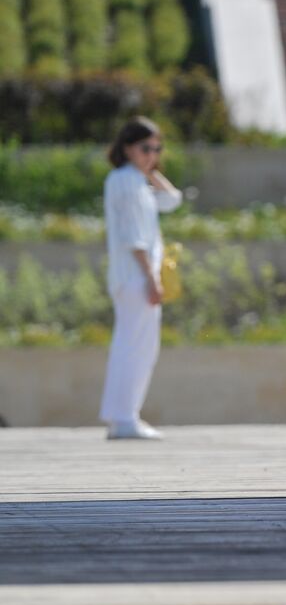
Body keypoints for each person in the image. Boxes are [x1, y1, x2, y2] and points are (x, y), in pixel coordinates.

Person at [99, 117, 184, 440]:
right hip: (136, 276)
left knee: (138, 346)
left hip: (136, 276)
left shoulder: (134, 180)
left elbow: (172, 199)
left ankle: (123, 416)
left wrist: (150, 171)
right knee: (134, 347)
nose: (152, 154)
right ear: (127, 148)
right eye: (145, 148)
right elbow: (133, 237)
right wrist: (152, 279)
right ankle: (123, 417)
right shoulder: (125, 180)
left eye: (157, 149)